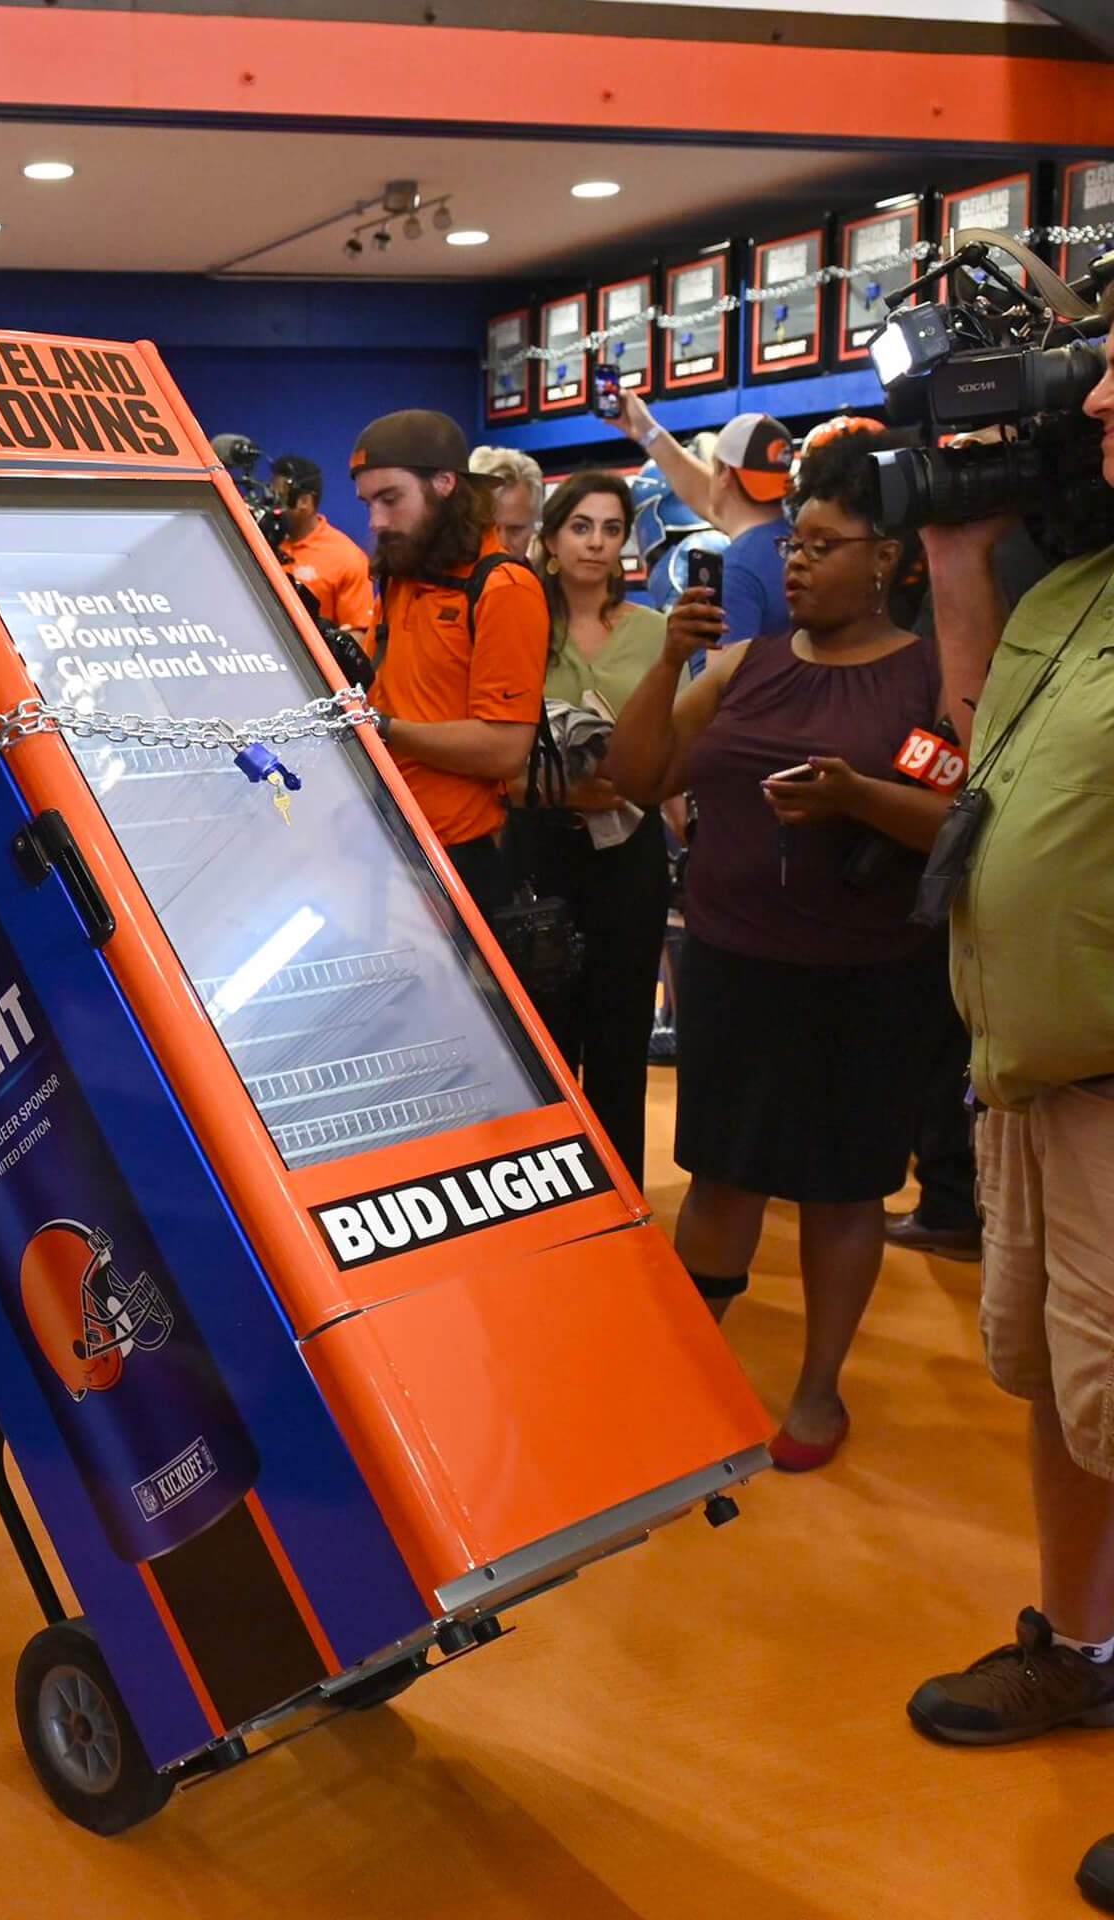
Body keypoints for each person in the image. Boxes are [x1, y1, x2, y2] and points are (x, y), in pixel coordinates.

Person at [603, 432, 956, 1472]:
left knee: (843, 1189)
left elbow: (957, 823)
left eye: (824, 544)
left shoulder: (930, 677)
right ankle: (689, 1369)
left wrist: (855, 797)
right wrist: (670, 660)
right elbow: (635, 773)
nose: (795, 562)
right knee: (722, 1178)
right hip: (732, 962)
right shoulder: (743, 663)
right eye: (793, 542)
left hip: (867, 977)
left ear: (888, 561)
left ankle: (816, 1391)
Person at [902, 354, 1114, 1913]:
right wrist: (958, 546)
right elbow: (977, 744)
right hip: (1035, 1077)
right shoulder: (1078, 587)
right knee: (1053, 1380)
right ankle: (1086, 1649)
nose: (1096, 413)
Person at [515, 471, 671, 1179]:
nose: (597, 543)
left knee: (620, 1037)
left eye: (612, 528)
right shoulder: (520, 626)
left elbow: (677, 740)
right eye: (581, 526)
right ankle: (554, 1202)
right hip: (540, 848)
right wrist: (556, 795)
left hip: (630, 853)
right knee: (543, 1038)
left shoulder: (655, 632)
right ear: (550, 540)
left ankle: (624, 1201)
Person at [352, 409, 549, 921]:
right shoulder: (400, 576)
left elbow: (505, 749)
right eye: (368, 503)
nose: (375, 522)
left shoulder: (504, 587)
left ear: (444, 484)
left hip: (458, 862)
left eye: (390, 499)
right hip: (383, 846)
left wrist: (379, 729)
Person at [615, 393, 794, 644]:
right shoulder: (802, 542)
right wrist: (647, 431)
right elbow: (706, 496)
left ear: (724, 475)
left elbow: (722, 677)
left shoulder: (732, 570)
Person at [268, 455, 373, 637]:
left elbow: (359, 633)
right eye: (270, 497)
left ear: (305, 502)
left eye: (280, 500)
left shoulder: (348, 558)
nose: (272, 508)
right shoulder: (259, 542)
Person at [467, 446, 545, 561]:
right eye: (487, 529)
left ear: (534, 528)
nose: (502, 544)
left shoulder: (533, 579)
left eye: (515, 530)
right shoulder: (437, 576)